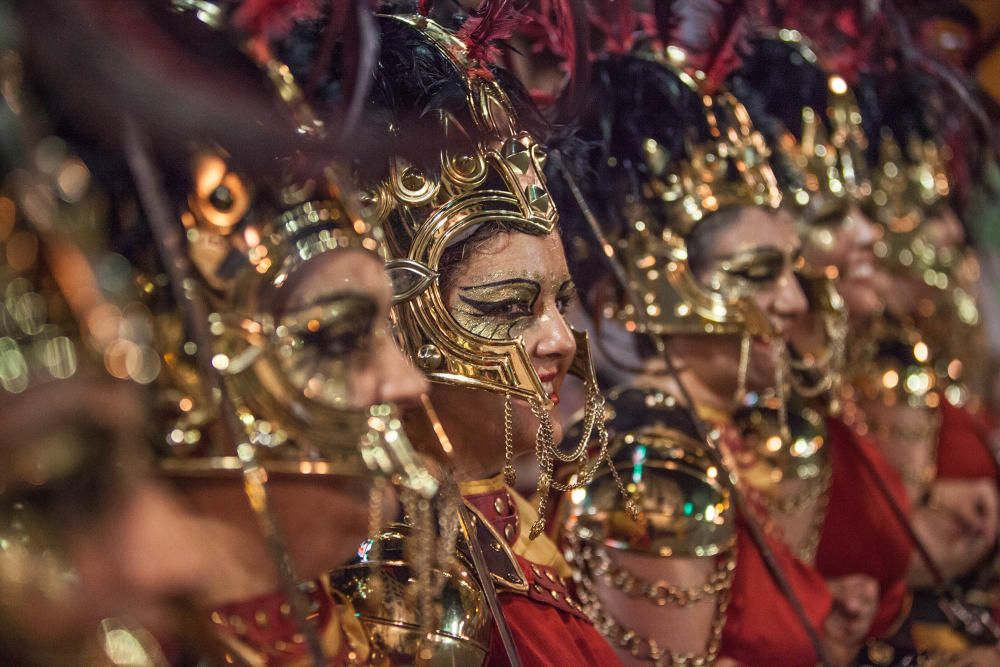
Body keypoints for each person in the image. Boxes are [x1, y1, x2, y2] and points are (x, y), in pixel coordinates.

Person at [550, 35, 878, 666]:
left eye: (789, 271)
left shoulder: (708, 431)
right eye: (756, 274)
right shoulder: (654, 468)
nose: (793, 303)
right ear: (637, 300)